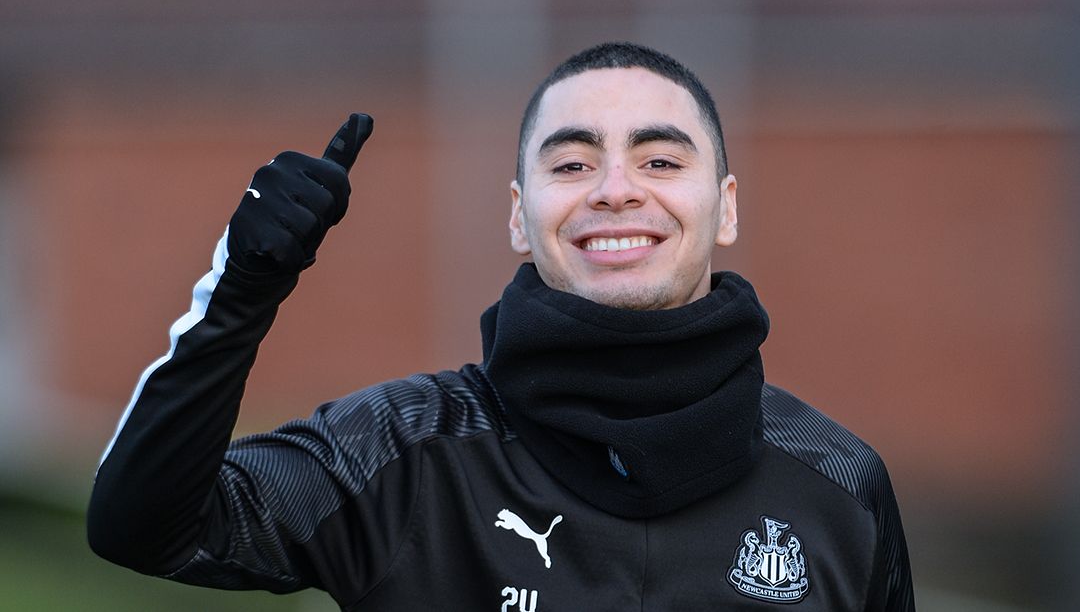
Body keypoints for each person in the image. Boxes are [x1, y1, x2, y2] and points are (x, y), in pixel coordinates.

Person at [88, 42, 915, 611]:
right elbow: (143, 527)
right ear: (520, 218)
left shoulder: (839, 486)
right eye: (571, 163)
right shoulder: (399, 454)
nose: (616, 190)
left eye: (661, 160)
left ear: (725, 206)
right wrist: (241, 290)